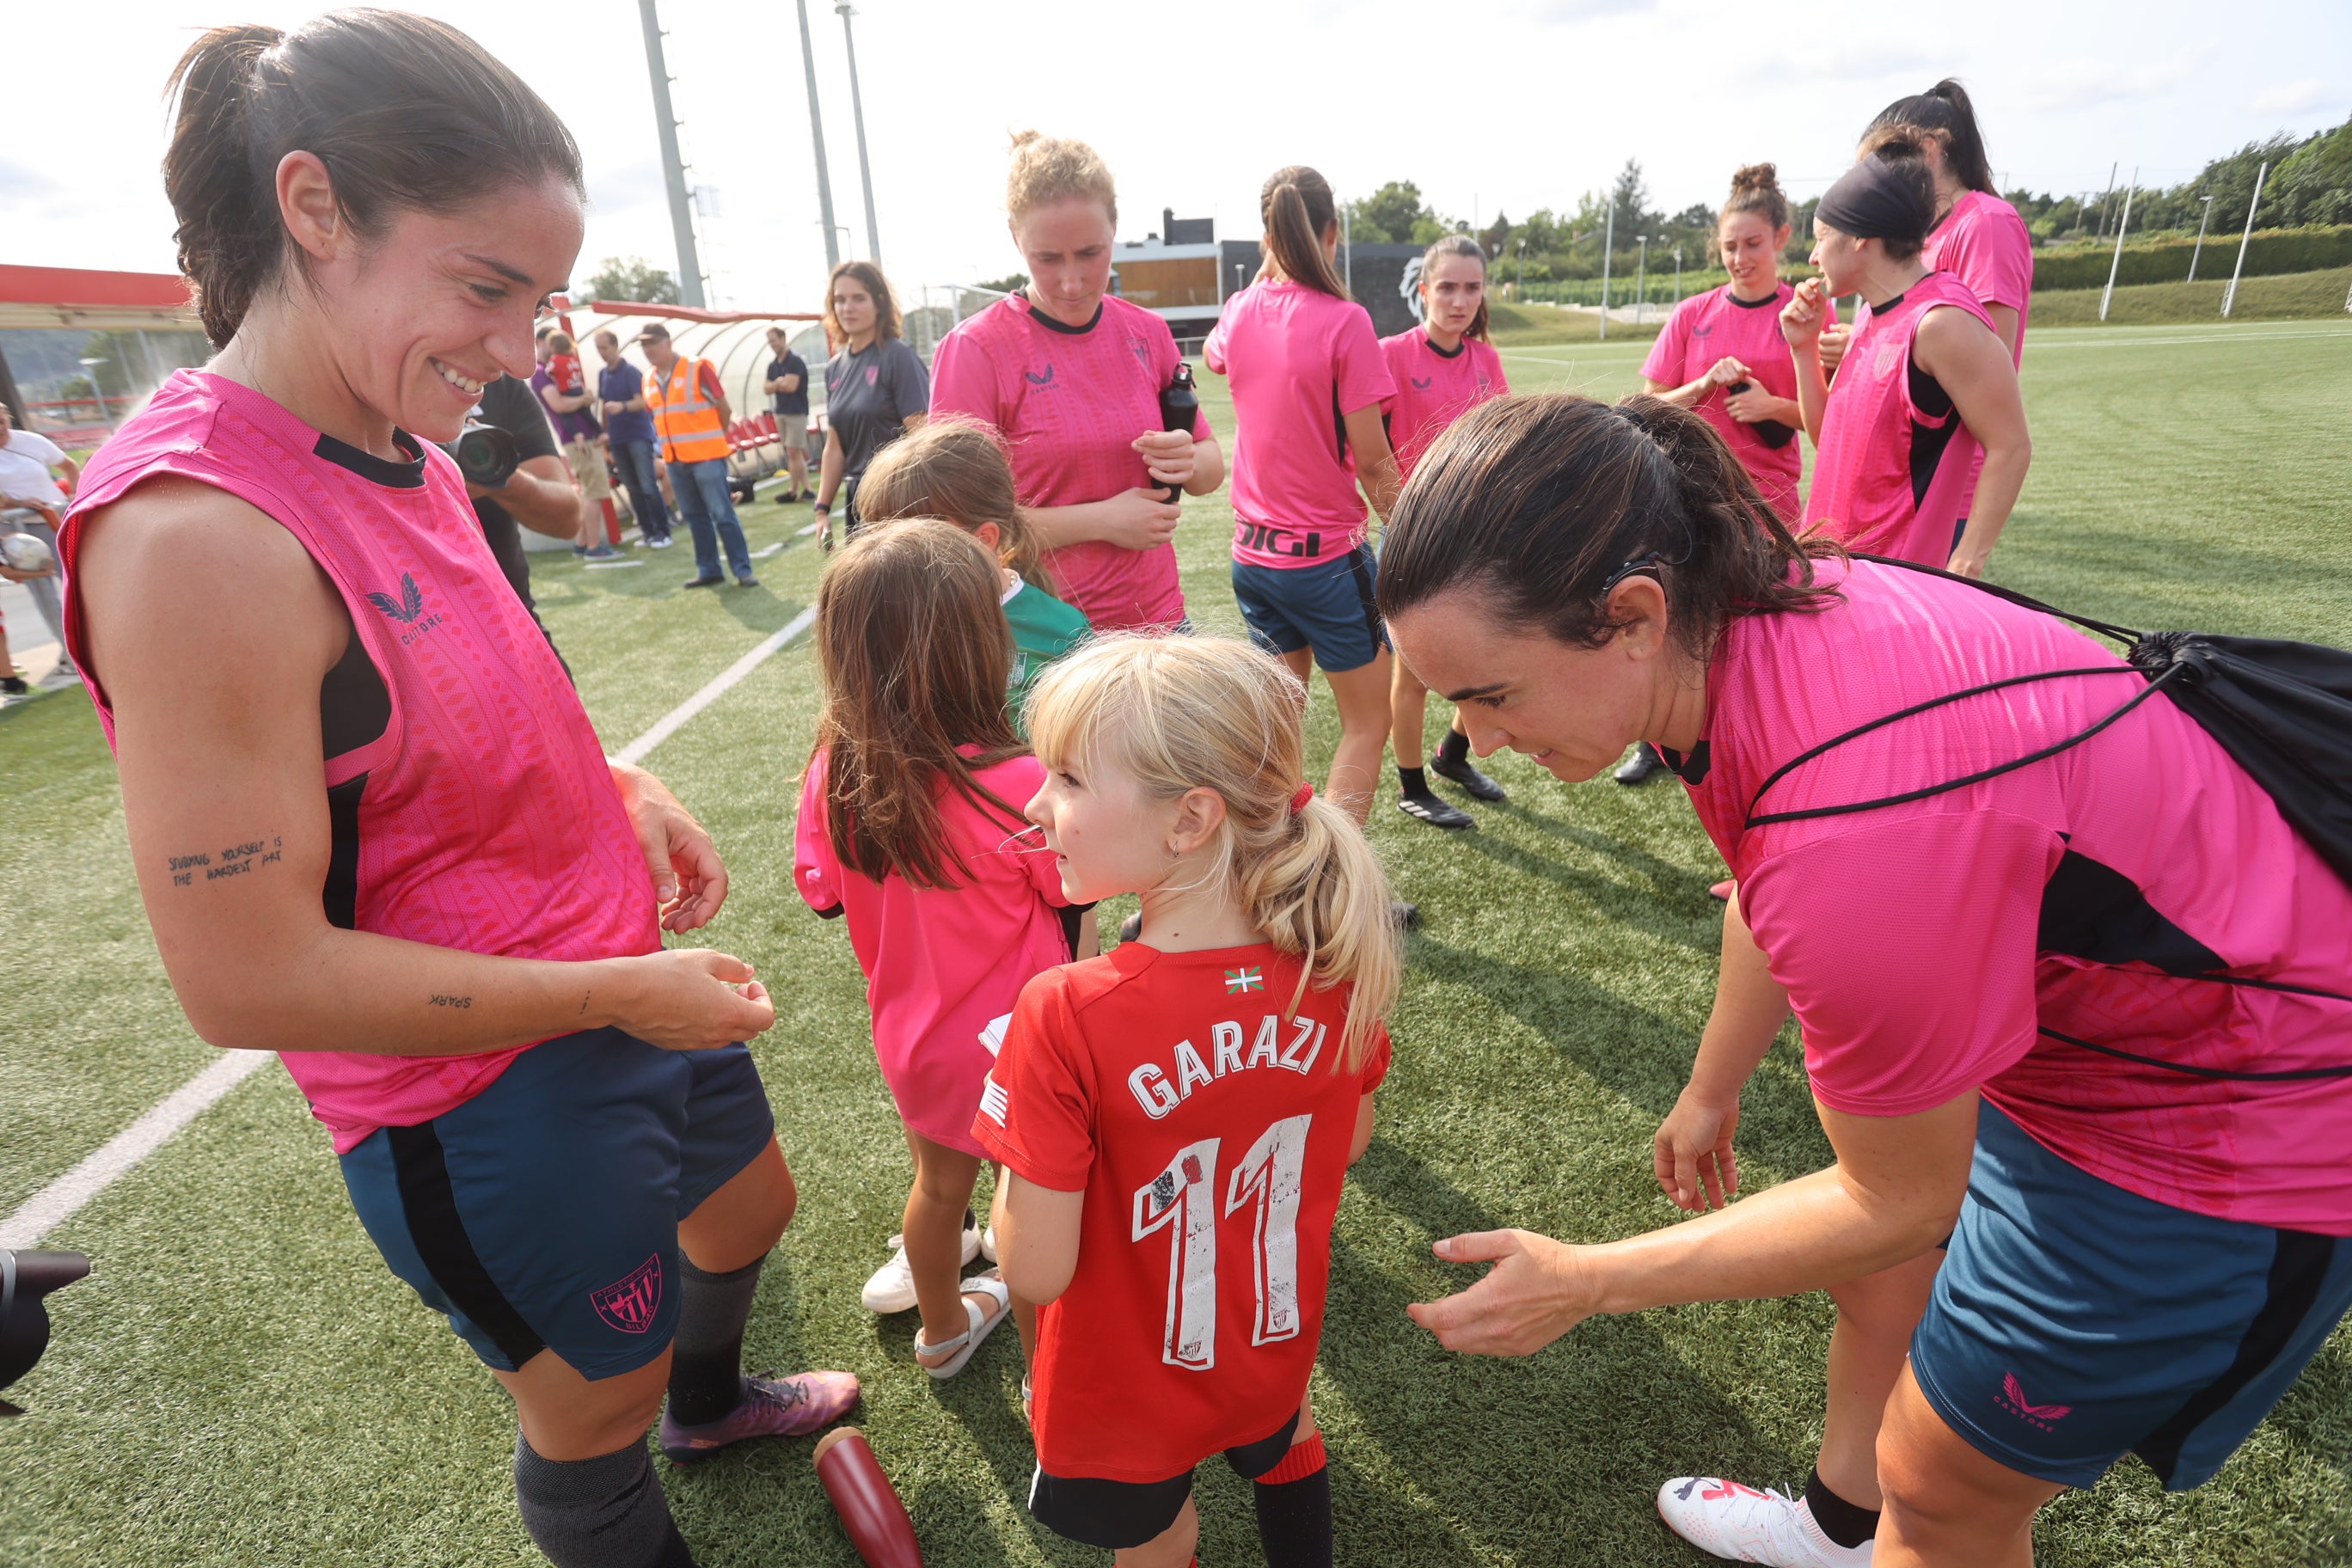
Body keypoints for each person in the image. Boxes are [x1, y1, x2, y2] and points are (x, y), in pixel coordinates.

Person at [58, 19, 857, 1568]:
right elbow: (246, 975)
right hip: (475, 1088)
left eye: (536, 299)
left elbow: (419, 703)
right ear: (313, 209)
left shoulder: (400, 436)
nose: (514, 347)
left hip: (609, 975)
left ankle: (711, 1402)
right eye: (485, 287)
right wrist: (615, 986)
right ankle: (645, 1450)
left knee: (749, 1209)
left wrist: (605, 779)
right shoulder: (194, 537)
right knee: (589, 1407)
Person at [1379, 392, 2352, 1568]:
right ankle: (1844, 1530)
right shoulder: (1750, 611)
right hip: (2146, 1007)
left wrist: (1589, 1279)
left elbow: (1901, 1195)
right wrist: (1712, 1081)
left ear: (1632, 615)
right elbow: (1767, 865)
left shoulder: (1848, 834)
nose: (1474, 739)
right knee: (1888, 1287)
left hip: (2231, 1118)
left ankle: (1884, 1522)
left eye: (1490, 693)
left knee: (1940, 1497)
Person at [981, 634, 1400, 1568]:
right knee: (1282, 1436)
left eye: (1068, 779)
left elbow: (1035, 1272)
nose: (1038, 802)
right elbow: (1354, 1137)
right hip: (1270, 1342)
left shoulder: (1065, 1010)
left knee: (1158, 1535)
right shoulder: (1333, 965)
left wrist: (1016, 1158)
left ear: (1190, 820)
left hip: (1124, 1386)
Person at [794, 521, 1076, 1379]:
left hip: (913, 1045)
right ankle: (1043, 1374)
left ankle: (942, 1334)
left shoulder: (834, 769)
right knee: (1026, 1208)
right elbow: (1072, 891)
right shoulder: (1018, 783)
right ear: (978, 648)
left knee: (940, 1192)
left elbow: (821, 891)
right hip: (1015, 1050)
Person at [929, 131, 1224, 633]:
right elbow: (954, 529)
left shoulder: (1146, 332)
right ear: (1014, 238)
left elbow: (1210, 469)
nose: (1072, 280)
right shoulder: (976, 350)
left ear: (1115, 227)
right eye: (1048, 259)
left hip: (1161, 625)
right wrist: (1102, 521)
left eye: (1091, 253)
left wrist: (1186, 457)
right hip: (1044, 642)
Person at [1204, 165, 1400, 830]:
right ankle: (1332, 884)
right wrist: (1414, 537)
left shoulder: (1239, 311)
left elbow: (1213, 356)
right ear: (1332, 233)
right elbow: (1374, 461)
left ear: (1268, 236)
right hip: (1323, 565)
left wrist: (1264, 279)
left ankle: (1271, 869)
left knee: (1276, 731)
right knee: (1370, 722)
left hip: (1253, 564)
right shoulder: (1345, 322)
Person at [1618, 162, 1825, 790]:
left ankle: (1765, 735)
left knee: (1761, 628)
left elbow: (1828, 422)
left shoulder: (1808, 310)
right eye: (1730, 247)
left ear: (1782, 238)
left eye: (1753, 245)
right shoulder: (1693, 314)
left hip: (1770, 499)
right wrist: (1704, 383)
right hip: (1687, 497)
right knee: (1675, 622)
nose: (1740, 258)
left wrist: (1772, 408)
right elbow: (1645, 407)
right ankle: (1658, 742)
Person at [1784, 136, 2029, 578]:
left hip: (1894, 593)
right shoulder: (1869, 318)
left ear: (1859, 237)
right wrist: (1803, 349)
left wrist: (1966, 563)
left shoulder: (1940, 323)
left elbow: (2011, 444)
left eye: (1822, 237)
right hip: (1832, 578)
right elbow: (1830, 442)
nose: (1813, 254)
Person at [1380, 234, 1511, 830]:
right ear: (1424, 289)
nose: (1459, 300)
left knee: (1491, 652)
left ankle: (1453, 755)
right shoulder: (1390, 356)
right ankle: (1412, 786)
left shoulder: (1486, 361)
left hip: (1478, 534)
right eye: (1448, 287)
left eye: (1472, 288)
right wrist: (1399, 517)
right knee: (1414, 674)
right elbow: (1363, 450)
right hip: (1414, 537)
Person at [1866, 81, 2034, 541]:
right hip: (1902, 475)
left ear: (1929, 150)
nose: (1875, 185)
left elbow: (1986, 358)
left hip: (1945, 481)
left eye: (1882, 165)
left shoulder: (1985, 221)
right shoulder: (1923, 234)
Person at [854, 416, 1091, 731]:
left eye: (917, 544)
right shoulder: (887, 623)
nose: (890, 558)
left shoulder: (1062, 632)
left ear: (982, 540)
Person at [466, 369, 585, 667]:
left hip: (515, 632)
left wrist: (498, 473)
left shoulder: (494, 382)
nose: (524, 361)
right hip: (408, 666)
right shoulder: (353, 393)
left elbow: (567, 518)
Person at [813, 260, 928, 549]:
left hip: (898, 499)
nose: (847, 307)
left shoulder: (898, 357)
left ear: (879, 302)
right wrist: (822, 509)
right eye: (839, 300)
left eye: (858, 298)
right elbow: (835, 447)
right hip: (857, 500)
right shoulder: (835, 368)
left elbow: (924, 438)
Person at [640, 322, 758, 588]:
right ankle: (709, 570)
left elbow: (723, 409)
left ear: (668, 342)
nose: (648, 349)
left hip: (706, 457)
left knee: (722, 514)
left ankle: (742, 570)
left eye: (653, 343)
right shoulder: (647, 378)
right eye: (644, 344)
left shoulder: (697, 367)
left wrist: (716, 439)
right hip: (675, 461)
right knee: (694, 517)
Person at [0, 400, 79, 681]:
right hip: (17, 534)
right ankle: (71, 654)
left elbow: (68, 465)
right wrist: (17, 503)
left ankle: (89, 643)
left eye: (1, 421)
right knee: (45, 596)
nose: (0, 429)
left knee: (78, 584)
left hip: (54, 521)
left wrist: (75, 496)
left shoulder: (30, 441)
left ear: (7, 419)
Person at [531, 325, 616, 560]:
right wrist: (584, 398)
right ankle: (594, 547)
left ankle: (582, 545)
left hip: (582, 439)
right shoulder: (540, 373)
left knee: (590, 491)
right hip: (579, 440)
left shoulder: (553, 369)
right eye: (550, 341)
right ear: (540, 343)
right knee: (594, 492)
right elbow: (559, 405)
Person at [594, 327, 672, 547]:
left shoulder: (630, 372)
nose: (601, 352)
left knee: (647, 485)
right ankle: (648, 533)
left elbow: (644, 402)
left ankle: (663, 532)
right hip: (618, 440)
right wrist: (605, 434)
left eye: (604, 347)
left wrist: (623, 406)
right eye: (598, 348)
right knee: (633, 488)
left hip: (638, 436)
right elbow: (604, 406)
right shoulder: (603, 374)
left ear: (615, 346)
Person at [761, 324, 812, 504]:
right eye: (769, 342)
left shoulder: (795, 361)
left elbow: (791, 386)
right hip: (781, 412)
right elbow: (766, 388)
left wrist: (776, 384)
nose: (772, 344)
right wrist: (778, 382)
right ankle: (808, 489)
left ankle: (792, 490)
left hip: (796, 412)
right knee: (794, 453)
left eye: (774, 340)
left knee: (792, 451)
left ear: (782, 338)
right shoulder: (773, 365)